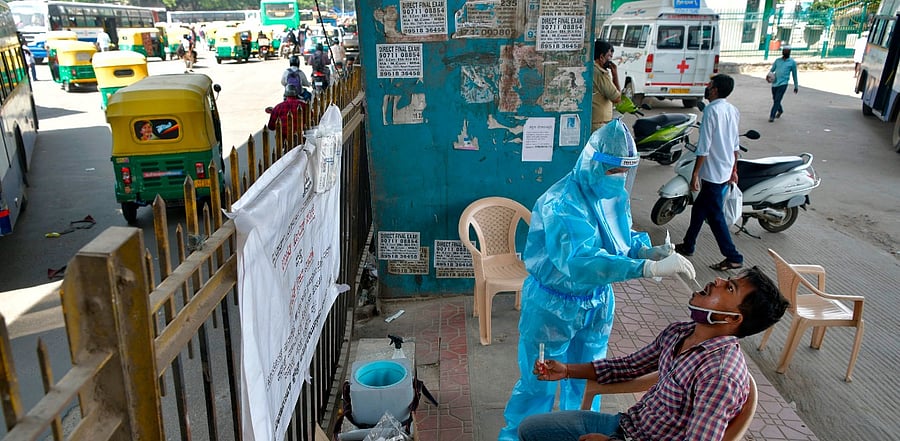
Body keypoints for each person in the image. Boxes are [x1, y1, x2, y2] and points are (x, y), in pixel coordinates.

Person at [498, 120, 697, 441]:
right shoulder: (560, 204)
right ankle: (519, 435)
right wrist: (644, 270)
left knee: (590, 377)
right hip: (552, 306)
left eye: (626, 170)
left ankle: (578, 434)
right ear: (592, 163)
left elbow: (617, 238)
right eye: (614, 169)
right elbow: (579, 262)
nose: (620, 177)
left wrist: (647, 252)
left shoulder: (611, 193)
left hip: (597, 302)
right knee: (541, 380)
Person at [518, 267, 789, 441]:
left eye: (729, 288)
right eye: (726, 280)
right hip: (627, 426)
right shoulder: (681, 332)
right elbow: (627, 366)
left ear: (732, 318)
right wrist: (566, 370)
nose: (717, 280)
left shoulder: (720, 375)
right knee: (529, 430)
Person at [674, 74, 744, 271]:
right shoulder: (732, 110)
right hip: (724, 168)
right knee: (699, 209)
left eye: (709, 85)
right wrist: (734, 168)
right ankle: (689, 244)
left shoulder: (711, 111)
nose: (706, 87)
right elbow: (735, 144)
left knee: (714, 216)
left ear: (715, 90)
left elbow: (703, 147)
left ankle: (733, 256)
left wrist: (695, 174)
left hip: (712, 171)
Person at [591, 40, 621, 132]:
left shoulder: (590, 68)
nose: (610, 60)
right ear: (601, 57)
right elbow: (616, 98)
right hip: (598, 125)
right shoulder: (600, 74)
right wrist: (615, 74)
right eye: (609, 56)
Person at [767, 47, 799, 123]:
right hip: (775, 83)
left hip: (783, 84)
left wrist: (796, 86)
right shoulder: (778, 61)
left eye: (787, 51)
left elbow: (794, 75)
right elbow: (772, 70)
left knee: (777, 99)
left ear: (790, 53)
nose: (786, 53)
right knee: (775, 99)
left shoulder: (792, 62)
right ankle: (780, 110)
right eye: (785, 51)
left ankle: (772, 116)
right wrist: (768, 76)